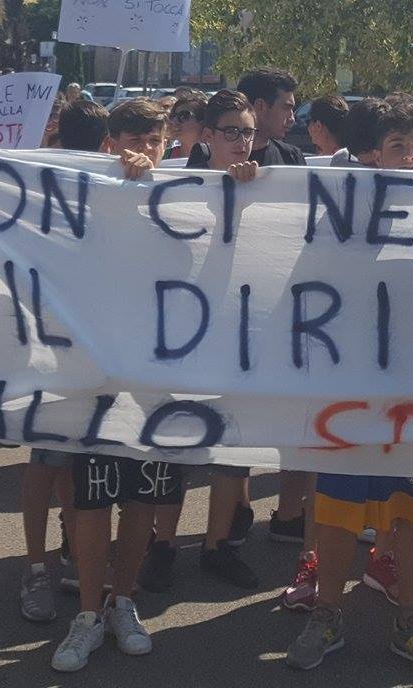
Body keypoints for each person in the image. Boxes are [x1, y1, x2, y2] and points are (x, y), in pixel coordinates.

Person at [286, 93, 413, 681]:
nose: (409, 157)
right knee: (336, 512)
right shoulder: (342, 206)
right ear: (371, 155)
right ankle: (327, 613)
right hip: (351, 388)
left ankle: (411, 620)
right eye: (396, 147)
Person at [51, 99, 175, 672]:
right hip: (98, 373)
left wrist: (243, 182)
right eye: (133, 137)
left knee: (143, 495)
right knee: (93, 495)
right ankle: (87, 612)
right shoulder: (88, 188)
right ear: (110, 140)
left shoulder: (187, 191)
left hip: (159, 374)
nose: (144, 149)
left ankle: (123, 601)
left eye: (154, 139)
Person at [141, 89, 266, 594]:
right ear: (209, 135)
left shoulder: (269, 184)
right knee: (175, 442)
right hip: (183, 335)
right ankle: (163, 544)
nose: (242, 141)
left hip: (239, 334)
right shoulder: (177, 180)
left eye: (248, 131)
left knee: (230, 447)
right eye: (231, 131)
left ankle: (216, 546)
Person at [305, 93, 349, 157]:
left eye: (308, 121)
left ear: (318, 126)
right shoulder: (358, 159)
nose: (308, 127)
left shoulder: (316, 164)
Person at [165, 91, 205, 159]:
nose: (174, 121)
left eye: (183, 116)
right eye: (173, 116)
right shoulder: (163, 156)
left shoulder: (216, 158)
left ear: (203, 121)